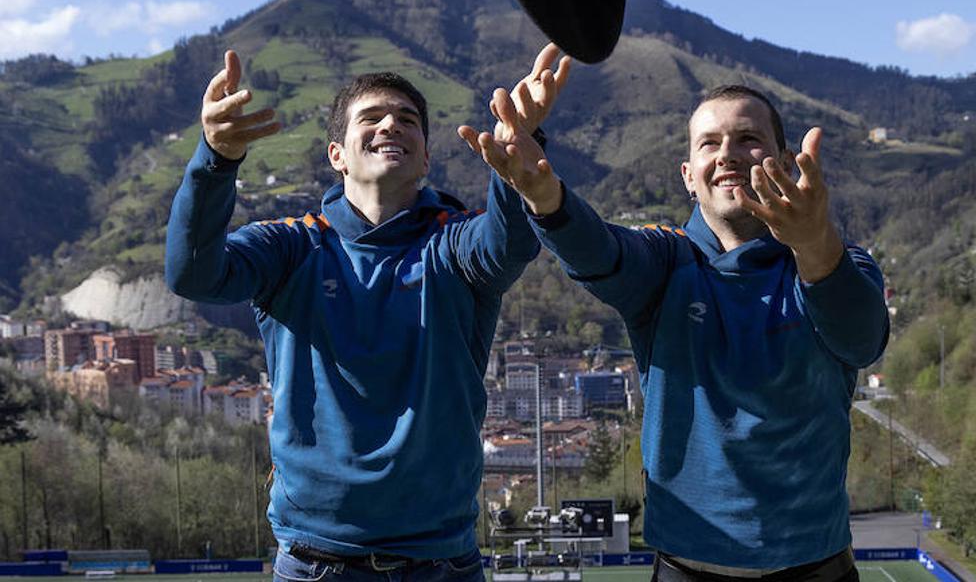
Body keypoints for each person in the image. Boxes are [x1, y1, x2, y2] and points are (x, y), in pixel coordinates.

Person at [165, 45, 569, 582]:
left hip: (443, 563)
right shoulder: (291, 247)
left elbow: (509, 245)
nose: (390, 125)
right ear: (338, 154)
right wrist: (214, 160)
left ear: (426, 157)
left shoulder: (453, 244)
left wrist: (522, 148)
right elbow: (192, 273)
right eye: (372, 116)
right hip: (316, 563)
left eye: (407, 120)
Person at [461, 80, 888, 582]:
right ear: (689, 175)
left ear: (785, 161)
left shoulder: (839, 264)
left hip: (816, 570)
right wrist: (547, 199)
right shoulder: (667, 263)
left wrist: (815, 244)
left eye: (747, 138)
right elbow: (600, 251)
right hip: (686, 569)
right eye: (709, 142)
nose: (727, 153)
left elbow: (861, 339)